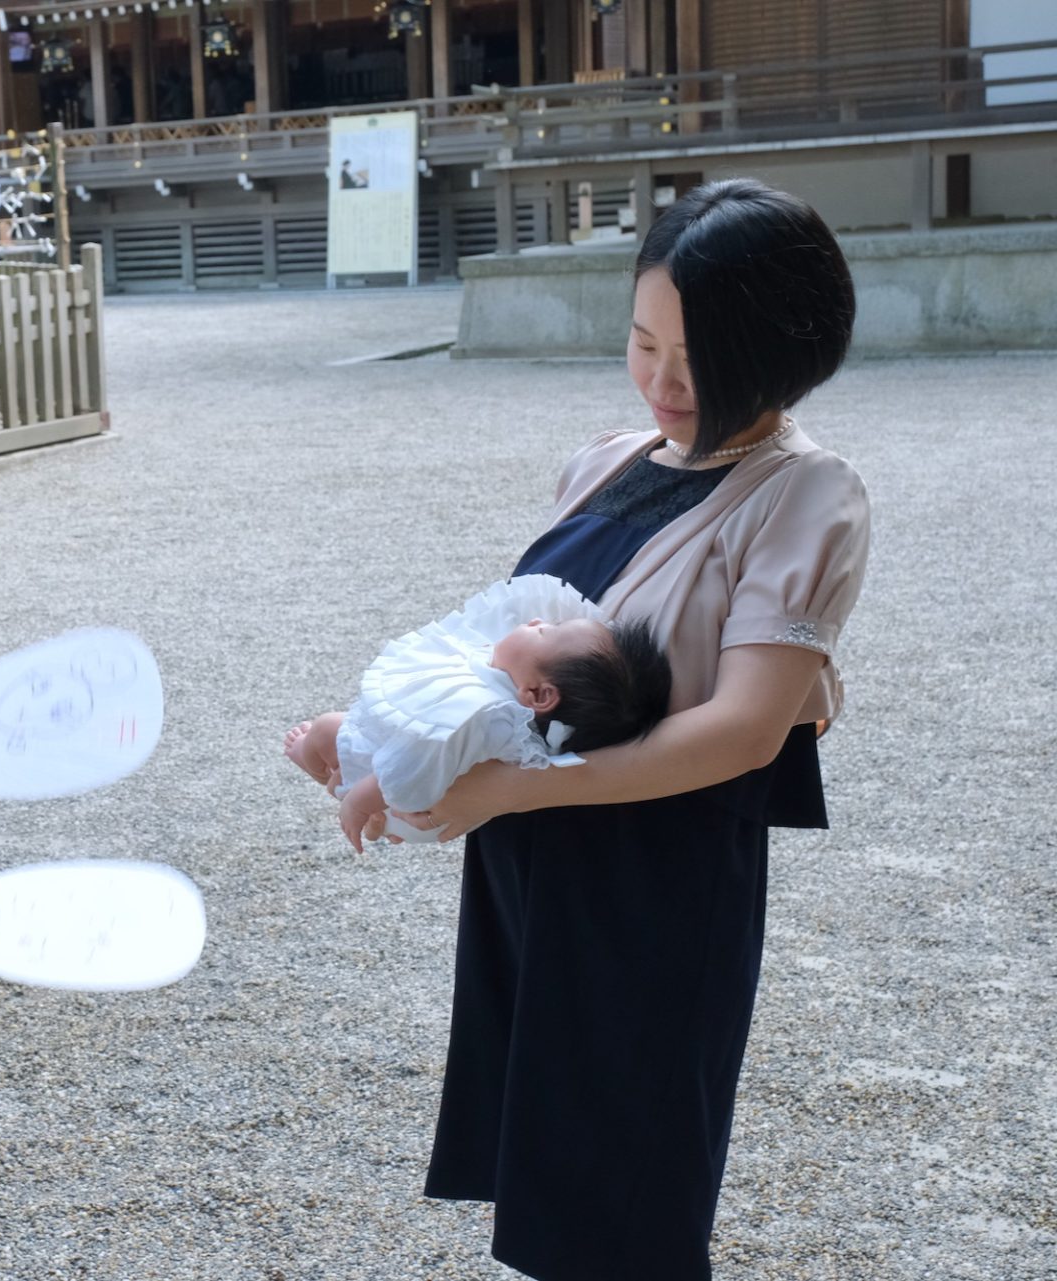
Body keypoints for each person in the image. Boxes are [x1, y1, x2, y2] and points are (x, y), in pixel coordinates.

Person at [398, 179, 871, 1279]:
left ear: (780, 348)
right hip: (536, 874)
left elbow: (745, 732)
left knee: (631, 1199)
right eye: (642, 340)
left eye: (696, 357)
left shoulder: (805, 496)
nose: (662, 380)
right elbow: (503, 655)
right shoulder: (606, 461)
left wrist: (511, 791)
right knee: (555, 1186)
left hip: (658, 885)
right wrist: (380, 744)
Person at [283, 575, 671, 851]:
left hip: (412, 800)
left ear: (538, 694)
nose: (536, 621)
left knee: (325, 728)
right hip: (420, 778)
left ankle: (332, 773)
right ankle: (343, 771)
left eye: (544, 632)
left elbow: (418, 757)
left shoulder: (480, 713)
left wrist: (361, 799)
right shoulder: (510, 698)